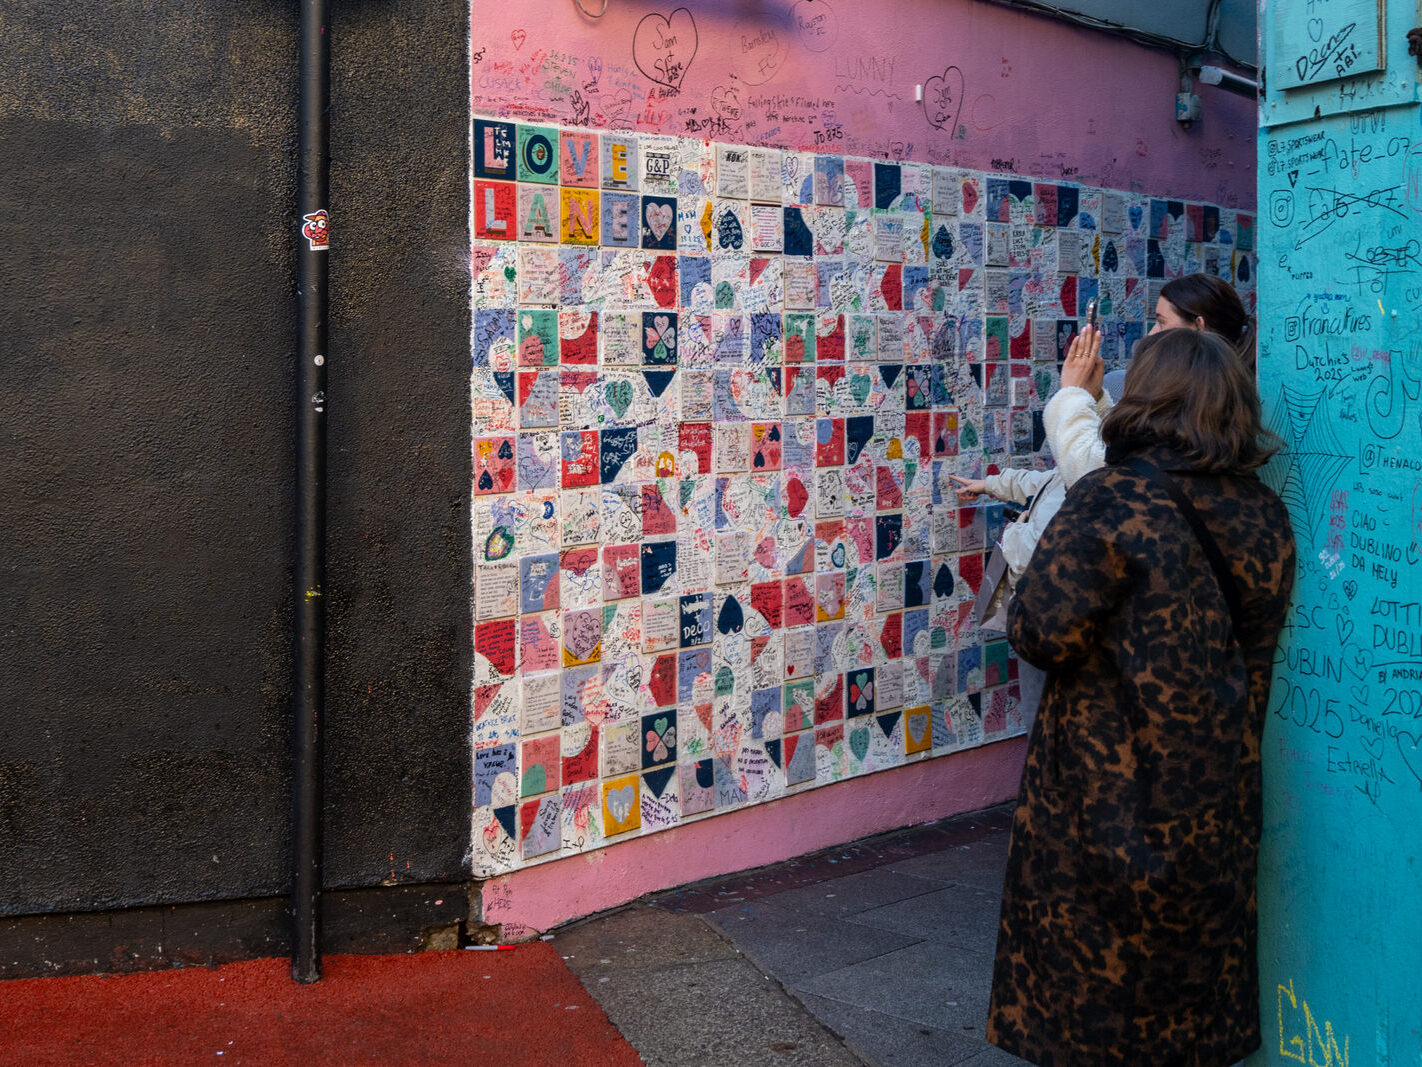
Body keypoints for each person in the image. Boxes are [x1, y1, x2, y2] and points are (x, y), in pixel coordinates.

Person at [985, 328, 1296, 1066]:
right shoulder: (1264, 514)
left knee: (1094, 1007)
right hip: (1216, 799)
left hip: (1103, 797)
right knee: (1184, 1004)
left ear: (1146, 401)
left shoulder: (1114, 500)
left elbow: (1037, 631)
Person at [1049, 274, 1255, 489]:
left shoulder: (1194, 400)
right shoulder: (1231, 393)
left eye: (1160, 322)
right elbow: (1127, 456)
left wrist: (1071, 395)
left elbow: (1102, 479)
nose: (1151, 334)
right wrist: (1097, 399)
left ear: (1198, 327)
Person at [946, 467, 1062, 724]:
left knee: (1039, 712)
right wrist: (987, 484)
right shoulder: (1074, 469)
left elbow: (1030, 553)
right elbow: (1039, 482)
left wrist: (1013, 531)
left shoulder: (1084, 474)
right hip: (1042, 615)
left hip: (1046, 617)